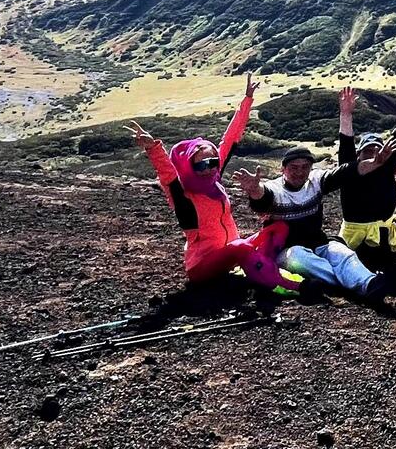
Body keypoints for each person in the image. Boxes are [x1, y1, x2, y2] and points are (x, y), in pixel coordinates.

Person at [129, 75, 301, 296]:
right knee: (241, 248)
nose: (210, 169)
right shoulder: (183, 195)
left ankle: (260, 266)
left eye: (213, 163)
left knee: (278, 227)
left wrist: (247, 100)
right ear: (190, 166)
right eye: (202, 165)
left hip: (231, 254)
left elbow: (229, 139)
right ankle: (287, 285)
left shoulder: (214, 179)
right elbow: (167, 173)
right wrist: (153, 148)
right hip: (202, 265)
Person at [233, 93, 386, 301]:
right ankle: (350, 284)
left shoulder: (316, 180)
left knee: (343, 253)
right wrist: (253, 190)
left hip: (319, 243)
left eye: (305, 167)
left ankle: (369, 284)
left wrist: (374, 163)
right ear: (283, 169)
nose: (299, 172)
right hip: (287, 251)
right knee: (300, 259)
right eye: (294, 168)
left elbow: (347, 171)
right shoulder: (275, 188)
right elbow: (263, 200)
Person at [333, 82, 396, 286]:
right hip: (357, 239)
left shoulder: (387, 168)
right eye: (368, 152)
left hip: (385, 234)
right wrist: (346, 115)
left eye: (377, 151)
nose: (374, 155)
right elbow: (345, 142)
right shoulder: (350, 170)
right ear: (359, 154)